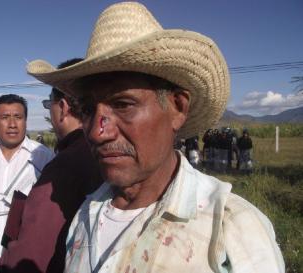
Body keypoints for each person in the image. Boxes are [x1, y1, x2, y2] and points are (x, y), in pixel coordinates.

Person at [26, 2, 284, 272]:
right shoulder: (86, 215)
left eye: (124, 104)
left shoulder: (231, 229)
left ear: (178, 108)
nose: (96, 132)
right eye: (88, 110)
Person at [0, 59, 102, 273]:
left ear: (62, 107)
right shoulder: (103, 154)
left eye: (48, 104)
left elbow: (29, 255)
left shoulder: (62, 165)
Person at [0, 94, 54, 273]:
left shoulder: (43, 157)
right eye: (5, 118)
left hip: (27, 262)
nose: (12, 124)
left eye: (18, 117)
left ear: (26, 121)